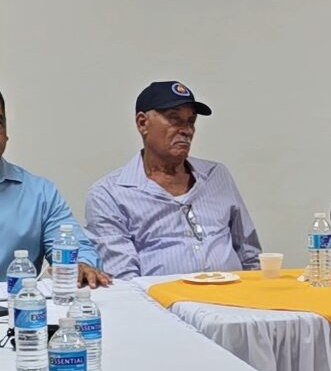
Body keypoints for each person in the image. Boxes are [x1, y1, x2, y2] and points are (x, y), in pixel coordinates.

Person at [85, 81, 262, 279]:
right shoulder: (110, 194)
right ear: (142, 123)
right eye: (174, 119)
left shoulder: (216, 175)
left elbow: (250, 255)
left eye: (191, 121)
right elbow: (125, 281)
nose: (187, 130)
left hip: (233, 294)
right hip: (158, 298)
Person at [0, 90, 110, 286]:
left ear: (6, 134)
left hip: (18, 303)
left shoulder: (40, 193)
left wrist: (82, 264)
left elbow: (75, 246)